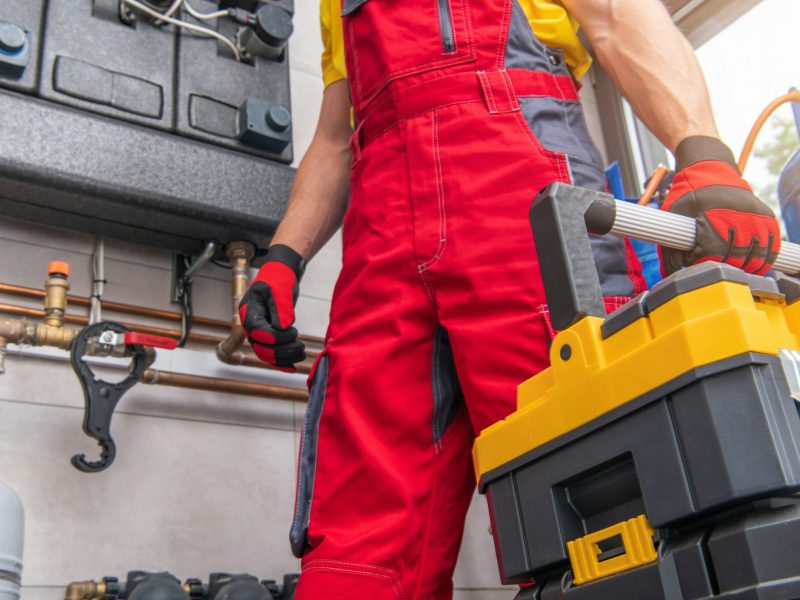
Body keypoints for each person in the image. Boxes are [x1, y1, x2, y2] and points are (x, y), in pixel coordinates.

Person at [238, 0, 780, 597]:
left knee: (594, 492)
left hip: (518, 188)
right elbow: (336, 136)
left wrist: (703, 155)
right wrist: (284, 258)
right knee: (357, 539)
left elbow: (618, 18)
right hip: (381, 227)